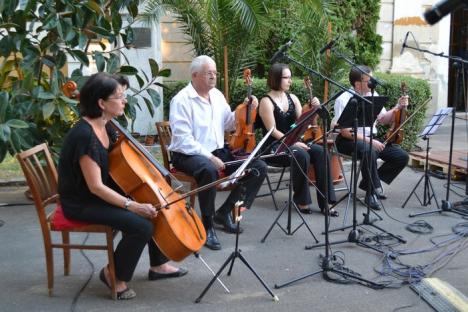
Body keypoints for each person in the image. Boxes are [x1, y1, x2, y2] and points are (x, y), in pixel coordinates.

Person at [57, 73, 187, 300]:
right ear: (101, 103)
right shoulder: (84, 136)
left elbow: (121, 161)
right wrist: (131, 205)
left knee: (153, 205)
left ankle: (158, 266)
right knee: (141, 225)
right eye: (119, 97)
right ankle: (113, 275)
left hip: (97, 194)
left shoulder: (106, 126)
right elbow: (96, 187)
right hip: (82, 202)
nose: (124, 100)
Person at [169, 55, 267, 250]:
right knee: (208, 170)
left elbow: (230, 124)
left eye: (215, 73)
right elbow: (183, 139)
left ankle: (227, 211)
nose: (213, 76)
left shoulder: (217, 95)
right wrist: (209, 156)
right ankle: (207, 224)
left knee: (257, 167)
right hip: (187, 154)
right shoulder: (181, 100)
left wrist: (247, 109)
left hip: (217, 151)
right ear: (195, 75)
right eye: (209, 73)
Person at [256, 63, 338, 216]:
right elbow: (272, 130)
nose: (290, 81)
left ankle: (326, 201)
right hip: (275, 146)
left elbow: (301, 122)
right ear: (275, 79)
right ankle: (302, 200)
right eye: (286, 77)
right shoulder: (266, 101)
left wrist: (314, 109)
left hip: (295, 142)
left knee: (321, 152)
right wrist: (293, 142)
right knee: (300, 154)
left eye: (290, 77)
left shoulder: (293, 98)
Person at [333, 65, 409, 210]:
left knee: (401, 157)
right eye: (369, 80)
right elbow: (345, 132)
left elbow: (384, 119)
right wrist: (370, 141)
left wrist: (397, 107)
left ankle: (369, 183)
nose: (372, 83)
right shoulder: (343, 99)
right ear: (357, 83)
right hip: (348, 141)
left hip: (370, 139)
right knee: (369, 150)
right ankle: (370, 193)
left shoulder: (372, 95)